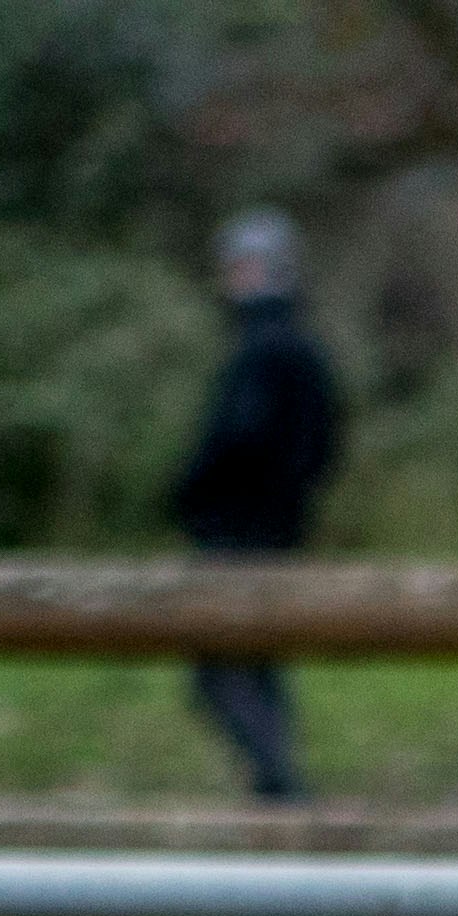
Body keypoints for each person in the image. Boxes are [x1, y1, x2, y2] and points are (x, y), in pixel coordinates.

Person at [168, 210, 343, 800]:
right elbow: (325, 444)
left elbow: (236, 438)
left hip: (235, 534)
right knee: (257, 661)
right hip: (281, 530)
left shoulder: (259, 351)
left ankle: (279, 784)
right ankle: (276, 785)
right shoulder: (305, 349)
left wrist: (188, 493)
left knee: (219, 668)